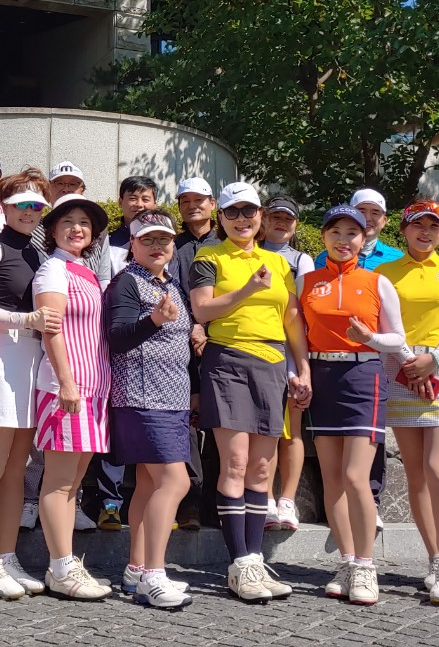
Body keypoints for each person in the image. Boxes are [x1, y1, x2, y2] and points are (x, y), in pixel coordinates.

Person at [188, 181, 310, 602]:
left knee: (262, 468)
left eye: (249, 211)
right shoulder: (208, 257)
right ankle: (239, 563)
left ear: (261, 216)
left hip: (272, 365)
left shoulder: (277, 262)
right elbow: (202, 309)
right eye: (233, 212)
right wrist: (247, 291)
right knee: (236, 463)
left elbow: (292, 319)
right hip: (227, 361)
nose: (242, 219)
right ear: (220, 217)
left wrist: (303, 368)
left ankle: (255, 559)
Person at [306, 205, 408, 607]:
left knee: (354, 476)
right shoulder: (307, 281)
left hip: (364, 375)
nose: (343, 240)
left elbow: (398, 338)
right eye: (335, 232)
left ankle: (366, 565)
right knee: (332, 478)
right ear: (324, 237)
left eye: (352, 232)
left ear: (364, 239)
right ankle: (347, 562)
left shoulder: (377, 281)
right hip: (322, 377)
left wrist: (370, 338)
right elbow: (298, 333)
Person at [378, 200, 439, 606]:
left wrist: (434, 359)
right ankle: (434, 558)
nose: (425, 232)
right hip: (401, 369)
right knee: (416, 474)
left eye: (433, 226)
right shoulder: (385, 272)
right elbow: (386, 323)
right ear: (403, 230)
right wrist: (410, 364)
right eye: (417, 225)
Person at [0, 170, 59, 600]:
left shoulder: (41, 254)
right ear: (4, 206)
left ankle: (7, 556)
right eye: (21, 204)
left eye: (37, 205)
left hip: (33, 359)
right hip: (1, 354)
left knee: (18, 466)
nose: (29, 212)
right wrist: (26, 320)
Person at [106, 210, 195, 611]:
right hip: (143, 397)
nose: (157, 246)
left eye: (164, 239)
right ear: (133, 245)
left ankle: (137, 568)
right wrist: (154, 320)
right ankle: (154, 576)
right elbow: (118, 337)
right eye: (148, 240)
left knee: (148, 484)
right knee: (175, 483)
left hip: (172, 398)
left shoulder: (171, 283)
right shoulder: (127, 281)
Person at [33, 193, 114, 599]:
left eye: (84, 222)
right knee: (59, 481)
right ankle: (61, 566)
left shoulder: (85, 270)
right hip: (66, 388)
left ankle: (64, 565)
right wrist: (66, 382)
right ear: (52, 230)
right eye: (67, 221)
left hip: (94, 388)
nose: (77, 229)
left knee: (74, 482)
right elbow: (51, 329)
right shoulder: (52, 269)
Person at [314, 187, 403, 522]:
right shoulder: (317, 267)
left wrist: (377, 341)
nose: (368, 218)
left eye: (373, 213)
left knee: (361, 461)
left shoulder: (393, 261)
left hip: (373, 365)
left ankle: (370, 504)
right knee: (335, 471)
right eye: (361, 211)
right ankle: (348, 532)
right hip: (325, 372)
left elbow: (396, 329)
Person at [90, 174, 161, 531]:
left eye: (145, 198)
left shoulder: (164, 241)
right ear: (120, 203)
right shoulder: (109, 242)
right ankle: (110, 503)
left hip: (160, 350)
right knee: (114, 424)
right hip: (116, 342)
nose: (139, 204)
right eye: (132, 198)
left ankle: (158, 503)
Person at [257, 194, 314, 533]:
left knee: (291, 428)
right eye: (275, 216)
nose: (281, 223)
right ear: (263, 219)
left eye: (287, 219)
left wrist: (299, 367)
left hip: (291, 350)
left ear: (295, 225)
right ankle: (265, 499)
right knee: (265, 430)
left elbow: (303, 315)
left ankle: (288, 500)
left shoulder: (301, 261)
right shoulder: (250, 252)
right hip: (259, 350)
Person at [171, 177, 219, 531]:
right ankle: (189, 503)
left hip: (220, 343)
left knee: (219, 423)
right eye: (185, 201)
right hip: (179, 344)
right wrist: (192, 326)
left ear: (212, 204)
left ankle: (217, 504)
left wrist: (205, 327)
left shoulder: (227, 244)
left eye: (199, 200)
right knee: (185, 422)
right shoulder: (172, 245)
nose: (192, 206)